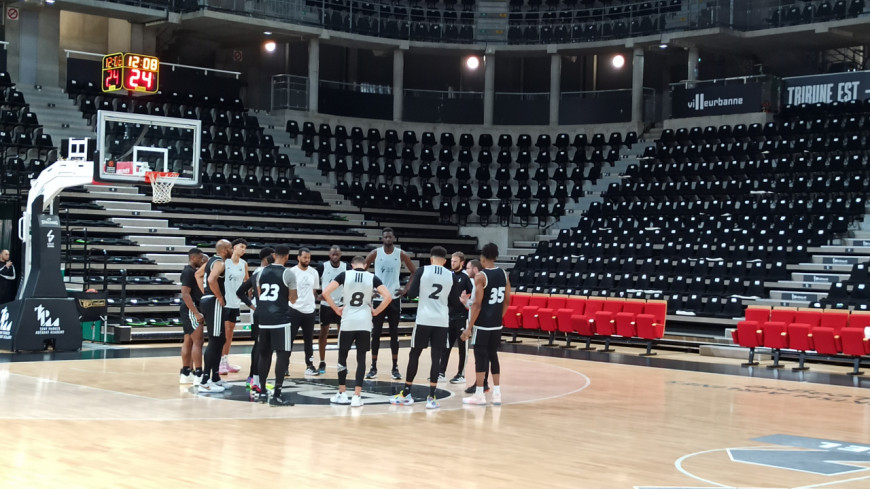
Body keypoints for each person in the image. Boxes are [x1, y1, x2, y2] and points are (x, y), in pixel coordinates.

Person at [322, 255, 392, 407]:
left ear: (352, 265)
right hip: (364, 321)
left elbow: (325, 292)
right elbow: (388, 297)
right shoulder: (372, 277)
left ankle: (342, 393)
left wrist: (336, 309)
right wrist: (376, 311)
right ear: (365, 265)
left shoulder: (344, 274)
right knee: (361, 358)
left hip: (348, 321)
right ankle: (356, 396)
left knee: (342, 356)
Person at [390, 246, 455, 409]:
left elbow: (412, 294)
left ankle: (406, 393)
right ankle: (432, 397)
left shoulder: (423, 270)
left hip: (424, 319)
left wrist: (413, 293)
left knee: (414, 355)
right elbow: (454, 300)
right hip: (441, 321)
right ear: (445, 261)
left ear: (431, 259)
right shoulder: (451, 275)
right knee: (436, 358)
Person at [364, 227, 417, 380]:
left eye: (390, 237)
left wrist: (405, 289)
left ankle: (395, 367)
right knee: (376, 334)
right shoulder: (375, 253)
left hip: (394, 299)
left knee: (394, 334)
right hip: (379, 299)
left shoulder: (401, 254)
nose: (387, 239)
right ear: (382, 239)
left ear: (394, 238)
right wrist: (370, 289)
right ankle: (373, 367)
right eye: (385, 237)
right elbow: (361, 270)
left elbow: (414, 271)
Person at [461, 243, 510, 406]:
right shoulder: (504, 274)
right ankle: (497, 394)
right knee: (493, 356)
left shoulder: (481, 276)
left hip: (482, 325)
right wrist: (498, 317)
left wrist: (469, 328)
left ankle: (479, 395)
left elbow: (477, 304)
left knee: (480, 358)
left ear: (482, 258)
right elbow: (507, 301)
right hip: (496, 324)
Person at [254, 245, 298, 406]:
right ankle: (277, 395)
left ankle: (262, 392)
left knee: (264, 355)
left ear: (274, 255)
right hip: (280, 319)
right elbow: (293, 299)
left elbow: (259, 294)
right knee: (282, 355)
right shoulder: (288, 273)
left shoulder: (261, 272)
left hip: (263, 318)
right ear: (287, 256)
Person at [236, 247, 275, 392]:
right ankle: (256, 380)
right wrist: (253, 306)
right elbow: (240, 292)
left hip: (259, 312)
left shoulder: (260, 272)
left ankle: (252, 378)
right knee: (262, 346)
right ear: (266, 258)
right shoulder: (262, 272)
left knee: (258, 345)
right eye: (272, 255)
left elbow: (241, 292)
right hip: (262, 313)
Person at [196, 239, 232, 394]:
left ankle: (215, 377)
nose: (232, 250)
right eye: (230, 247)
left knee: (220, 339)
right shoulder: (220, 262)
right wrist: (218, 296)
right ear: (224, 250)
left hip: (209, 300)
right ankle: (205, 381)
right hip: (214, 302)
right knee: (215, 340)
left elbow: (198, 275)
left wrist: (206, 294)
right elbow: (211, 280)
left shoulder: (210, 260)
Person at [316, 245, 350, 374]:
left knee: (343, 335)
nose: (335, 256)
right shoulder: (323, 267)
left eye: (337, 254)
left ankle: (342, 362)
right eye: (333, 254)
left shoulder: (346, 267)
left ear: (340, 254)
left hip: (341, 305)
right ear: (329, 255)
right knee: (323, 334)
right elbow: (313, 280)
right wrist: (317, 295)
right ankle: (322, 361)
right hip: (326, 305)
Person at [440, 251, 473, 384]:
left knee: (462, 347)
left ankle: (461, 374)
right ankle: (441, 373)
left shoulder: (466, 278)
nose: (452, 263)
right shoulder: (448, 276)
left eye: (455, 261)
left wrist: (466, 302)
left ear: (462, 263)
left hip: (462, 317)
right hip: (449, 316)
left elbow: (473, 295)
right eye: (451, 261)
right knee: (446, 346)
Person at [221, 238, 249, 375]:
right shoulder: (225, 262)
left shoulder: (244, 264)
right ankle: (220, 362)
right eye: (241, 246)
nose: (243, 249)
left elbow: (247, 281)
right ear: (234, 247)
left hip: (235, 303)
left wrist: (245, 293)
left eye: (245, 248)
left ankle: (225, 361)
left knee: (230, 334)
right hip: (225, 302)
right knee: (225, 333)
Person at [290, 247, 320, 376]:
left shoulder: (314, 272)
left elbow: (314, 291)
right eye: (305, 257)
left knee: (309, 340)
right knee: (289, 339)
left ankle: (310, 365)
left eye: (309, 257)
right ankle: (284, 366)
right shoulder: (292, 272)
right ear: (298, 258)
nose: (307, 260)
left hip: (309, 310)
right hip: (294, 309)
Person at [462, 259, 490, 395]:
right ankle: (483, 383)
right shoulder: (478, 281)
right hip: (483, 322)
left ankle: (482, 384)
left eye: (468, 268)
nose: (466, 271)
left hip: (479, 323)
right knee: (483, 355)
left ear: (475, 269)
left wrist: (465, 302)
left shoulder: (478, 282)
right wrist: (466, 302)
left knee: (480, 355)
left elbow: (476, 305)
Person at [179, 248, 206, 385]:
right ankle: (199, 374)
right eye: (200, 258)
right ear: (193, 258)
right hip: (191, 309)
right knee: (198, 341)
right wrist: (195, 312)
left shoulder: (192, 271)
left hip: (191, 309)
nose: (201, 260)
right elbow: (185, 294)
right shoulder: (189, 272)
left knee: (189, 340)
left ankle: (186, 372)